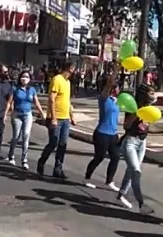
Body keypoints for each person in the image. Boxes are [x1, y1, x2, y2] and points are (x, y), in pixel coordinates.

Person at [116, 84, 156, 215]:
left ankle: (121, 195)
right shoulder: (133, 107)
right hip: (131, 143)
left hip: (142, 142)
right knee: (136, 172)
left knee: (131, 170)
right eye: (151, 93)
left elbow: (146, 125)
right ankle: (141, 204)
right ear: (144, 94)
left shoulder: (148, 108)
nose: (153, 95)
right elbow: (126, 126)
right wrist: (135, 114)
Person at [84, 63, 121, 191]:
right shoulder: (104, 99)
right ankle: (87, 178)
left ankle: (109, 181)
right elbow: (109, 84)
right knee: (99, 157)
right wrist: (115, 72)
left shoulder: (118, 103)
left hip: (113, 135)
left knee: (116, 157)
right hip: (102, 134)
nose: (118, 90)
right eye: (116, 88)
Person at [36, 62, 76, 179]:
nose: (74, 72)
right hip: (55, 118)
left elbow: (67, 101)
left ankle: (58, 169)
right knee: (53, 143)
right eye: (73, 69)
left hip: (65, 119)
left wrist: (71, 116)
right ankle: (41, 162)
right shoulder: (57, 79)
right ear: (68, 69)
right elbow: (52, 99)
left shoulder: (68, 83)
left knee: (62, 144)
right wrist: (53, 118)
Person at [4, 70, 45, 169]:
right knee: (16, 136)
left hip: (27, 115)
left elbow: (36, 102)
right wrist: (5, 114)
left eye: (27, 77)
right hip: (17, 114)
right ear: (19, 78)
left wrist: (42, 113)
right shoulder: (15, 89)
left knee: (26, 135)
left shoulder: (32, 90)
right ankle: (11, 155)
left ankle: (24, 160)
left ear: (30, 79)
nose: (24, 78)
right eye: (23, 76)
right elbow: (9, 102)